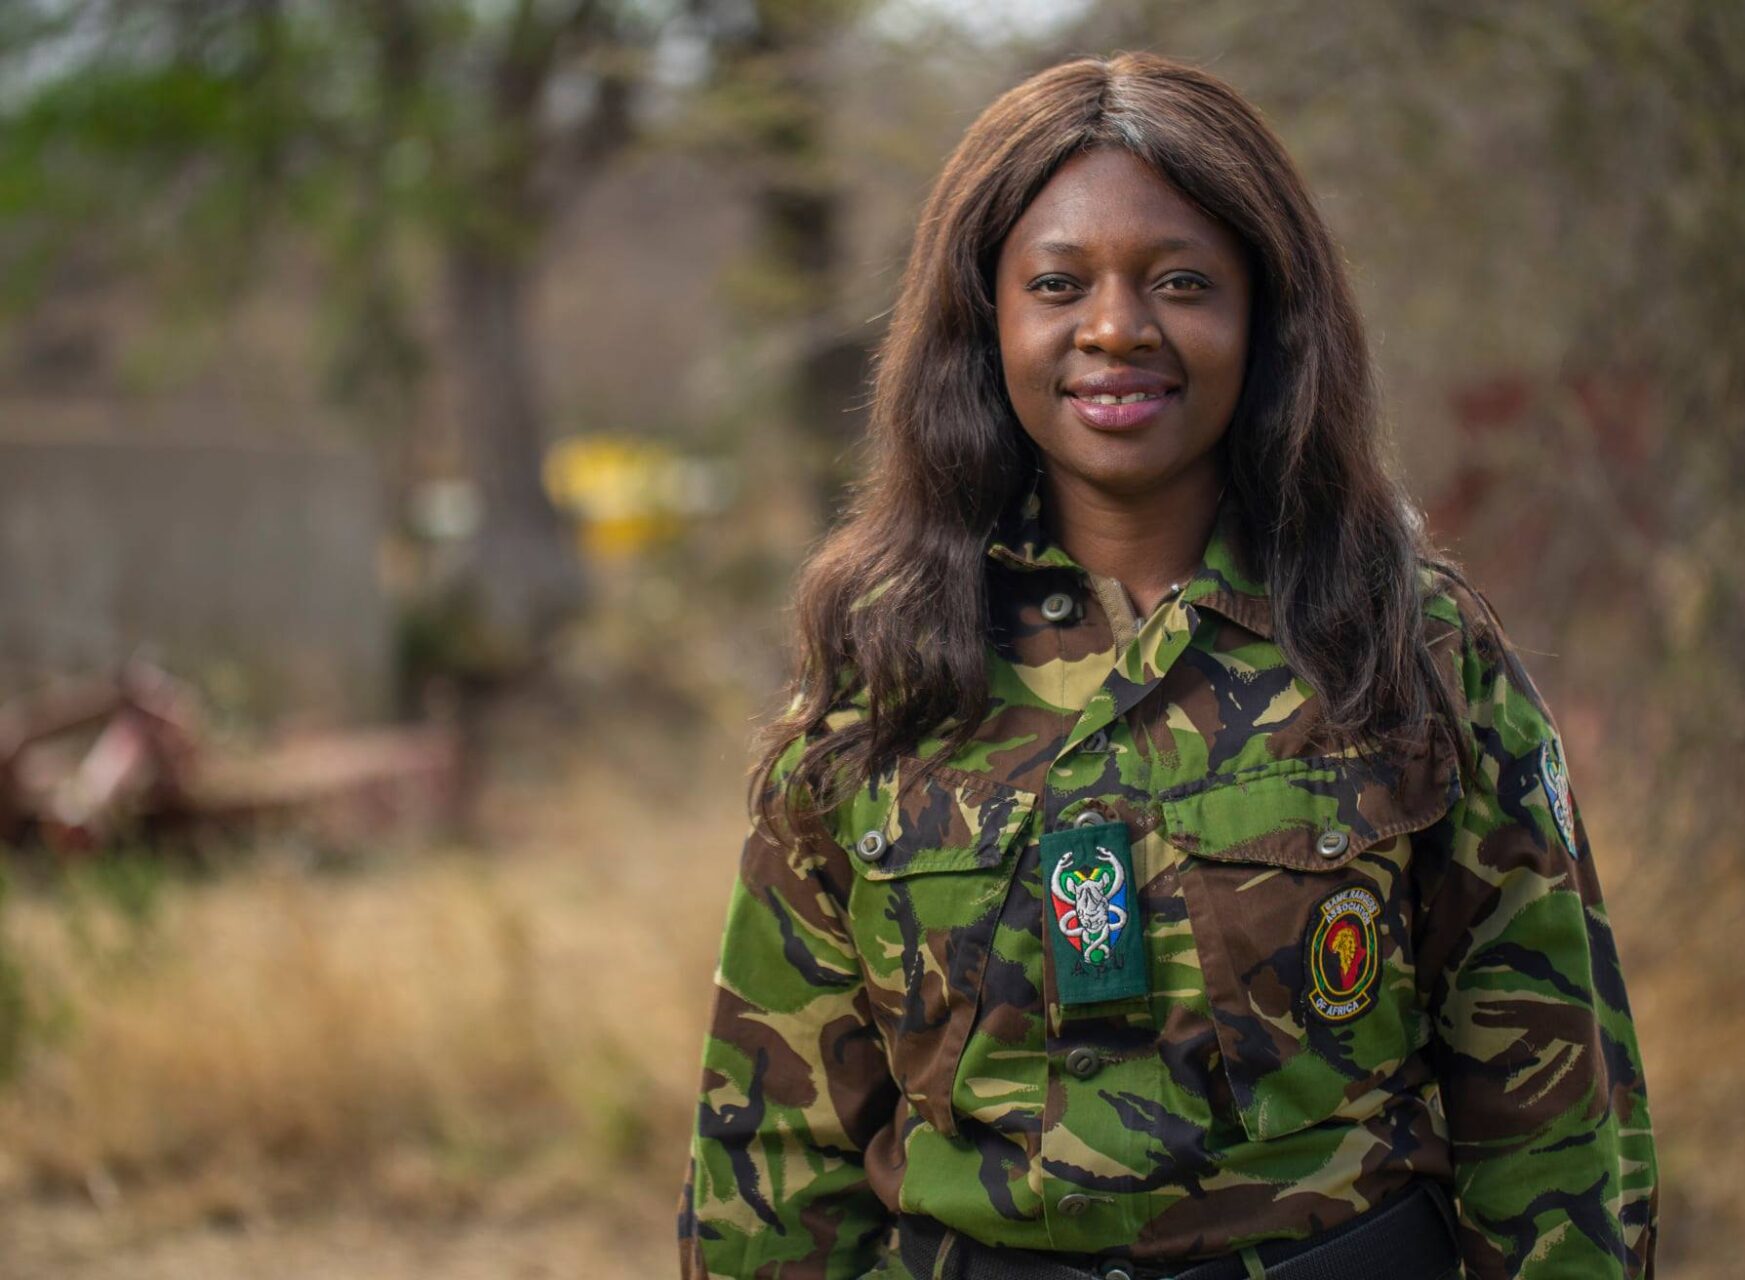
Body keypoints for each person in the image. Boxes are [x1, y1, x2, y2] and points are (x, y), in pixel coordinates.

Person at [677, 52, 1658, 1280]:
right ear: (988, 321)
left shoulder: (1408, 643)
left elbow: (1553, 1108)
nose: (1116, 329)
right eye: (1058, 283)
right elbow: (775, 1147)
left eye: (1182, 281)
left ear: (1265, 315)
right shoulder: (888, 659)